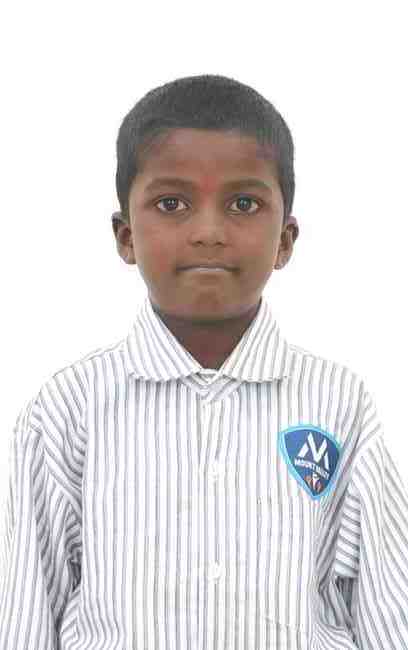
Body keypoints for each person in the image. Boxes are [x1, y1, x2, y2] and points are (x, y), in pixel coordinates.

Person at [0, 74, 407, 650]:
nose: (209, 232)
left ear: (286, 239)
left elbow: (388, 607)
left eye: (244, 204)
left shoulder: (339, 405)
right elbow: (26, 612)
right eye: (172, 204)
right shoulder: (68, 409)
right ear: (125, 236)